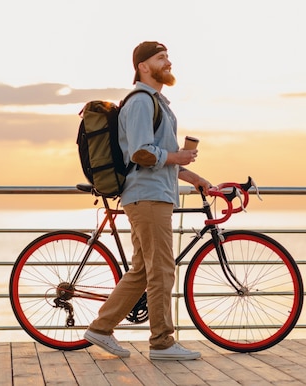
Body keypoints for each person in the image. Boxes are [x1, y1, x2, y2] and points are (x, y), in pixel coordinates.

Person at [84, 41, 212, 361]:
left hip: (154, 194)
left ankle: (101, 328)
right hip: (148, 196)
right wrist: (176, 155)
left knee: (142, 270)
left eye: (168, 56)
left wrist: (196, 178)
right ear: (143, 66)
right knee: (161, 270)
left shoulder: (158, 103)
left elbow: (161, 155)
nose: (168, 62)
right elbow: (141, 152)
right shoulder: (141, 102)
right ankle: (162, 343)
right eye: (160, 57)